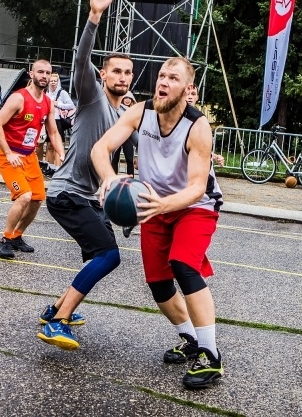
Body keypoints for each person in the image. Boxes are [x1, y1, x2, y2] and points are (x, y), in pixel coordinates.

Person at [92, 56, 225, 390]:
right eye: (162, 75)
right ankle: (189, 338)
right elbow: (100, 148)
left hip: (194, 206)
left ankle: (210, 355)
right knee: (158, 282)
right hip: (153, 204)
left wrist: (163, 205)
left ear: (188, 88)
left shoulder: (198, 126)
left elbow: (197, 187)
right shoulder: (141, 112)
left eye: (173, 78)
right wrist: (109, 178)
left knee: (183, 265)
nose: (164, 82)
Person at [38, 0, 133, 351]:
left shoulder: (122, 115)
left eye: (128, 72)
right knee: (109, 256)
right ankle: (57, 323)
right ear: (103, 75)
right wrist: (94, 16)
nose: (122, 76)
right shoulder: (92, 96)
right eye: (116, 71)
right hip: (67, 194)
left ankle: (56, 308)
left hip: (87, 198)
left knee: (99, 254)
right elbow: (81, 60)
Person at [0, 59, 64, 258]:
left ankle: (17, 236)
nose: (44, 76)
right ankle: (5, 239)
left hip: (29, 156)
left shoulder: (48, 102)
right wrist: (8, 153)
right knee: (24, 196)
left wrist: (62, 153)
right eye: (40, 72)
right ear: (32, 74)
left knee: (38, 198)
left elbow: (53, 132)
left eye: (48, 73)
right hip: (9, 155)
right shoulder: (19, 98)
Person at [185, 86, 225, 167]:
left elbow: (200, 148)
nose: (190, 97)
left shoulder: (201, 119)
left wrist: (215, 156)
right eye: (187, 94)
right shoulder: (174, 116)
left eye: (193, 94)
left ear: (197, 97)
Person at [42, 72, 75, 168]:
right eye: (51, 81)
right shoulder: (45, 92)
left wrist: (58, 104)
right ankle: (49, 166)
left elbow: (71, 105)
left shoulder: (62, 93)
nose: (53, 83)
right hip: (46, 119)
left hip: (57, 120)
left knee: (58, 145)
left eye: (55, 81)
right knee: (49, 145)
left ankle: (57, 168)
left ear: (58, 82)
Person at [110, 91, 136, 176]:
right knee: (115, 159)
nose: (127, 100)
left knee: (129, 159)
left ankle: (131, 179)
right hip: (116, 136)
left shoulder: (134, 110)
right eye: (126, 98)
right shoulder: (116, 109)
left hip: (128, 138)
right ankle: (113, 178)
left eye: (129, 98)